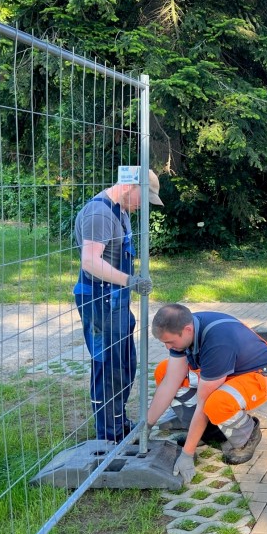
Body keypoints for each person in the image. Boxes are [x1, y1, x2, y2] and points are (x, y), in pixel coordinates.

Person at [145, 303, 267, 483]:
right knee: (164, 372)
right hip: (228, 369)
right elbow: (170, 382)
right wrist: (146, 425)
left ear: (187, 330)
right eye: (164, 342)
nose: (167, 347)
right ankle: (210, 432)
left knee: (216, 403)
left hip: (260, 374)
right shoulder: (186, 330)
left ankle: (248, 436)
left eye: (170, 342)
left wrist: (187, 453)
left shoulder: (218, 342)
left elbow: (203, 404)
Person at [73, 169, 163, 442]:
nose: (142, 205)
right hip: (99, 300)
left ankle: (118, 423)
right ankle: (109, 436)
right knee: (108, 366)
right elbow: (90, 261)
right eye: (142, 198)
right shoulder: (99, 214)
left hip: (116, 299)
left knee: (124, 365)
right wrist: (130, 281)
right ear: (128, 187)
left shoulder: (120, 211)